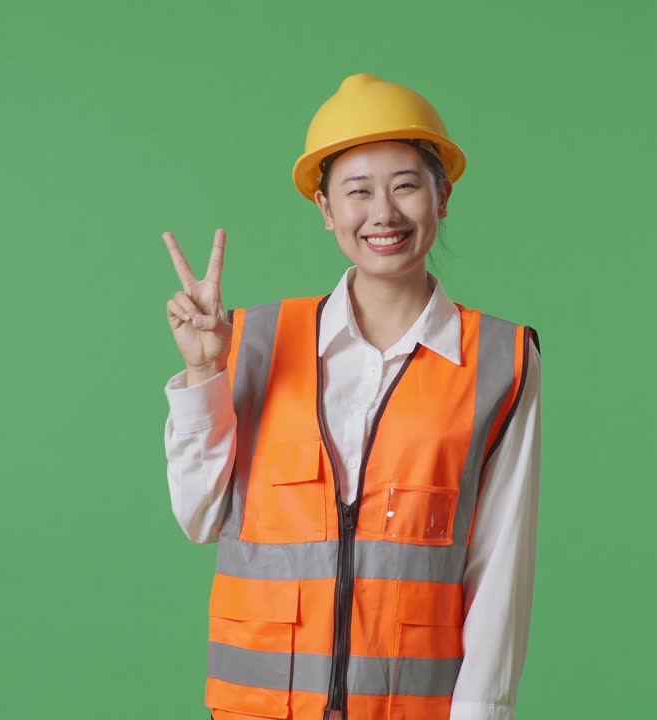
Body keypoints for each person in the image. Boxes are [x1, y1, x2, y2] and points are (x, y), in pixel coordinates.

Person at [161, 73, 542, 720]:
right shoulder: (252, 342)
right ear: (326, 209)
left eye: (405, 186)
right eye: (357, 191)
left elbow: (500, 563)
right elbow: (198, 517)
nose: (384, 214)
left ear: (442, 196)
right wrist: (205, 373)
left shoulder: (499, 360)